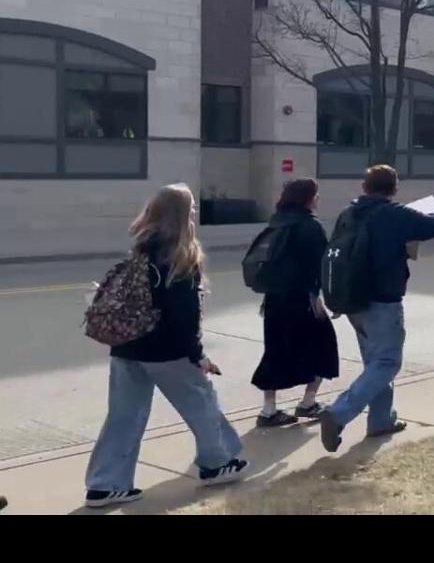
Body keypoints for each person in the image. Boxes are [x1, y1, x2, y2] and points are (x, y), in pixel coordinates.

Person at [85, 184, 247, 509]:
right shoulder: (180, 256)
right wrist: (197, 354)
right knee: (202, 402)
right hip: (165, 351)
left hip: (127, 346)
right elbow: (183, 316)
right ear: (184, 214)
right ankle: (217, 463)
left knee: (123, 417)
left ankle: (105, 486)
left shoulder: (141, 248)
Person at [319, 165, 434, 453]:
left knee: (375, 364)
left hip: (353, 299)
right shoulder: (394, 214)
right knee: (387, 362)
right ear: (394, 188)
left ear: (365, 187)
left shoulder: (348, 213)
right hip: (383, 301)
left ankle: (380, 420)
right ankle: (339, 412)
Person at [251, 178, 340, 428]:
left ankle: (268, 410)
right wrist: (319, 297)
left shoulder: (276, 222)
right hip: (302, 299)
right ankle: (308, 402)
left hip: (275, 299)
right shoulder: (310, 226)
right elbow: (321, 266)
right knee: (324, 347)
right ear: (308, 199)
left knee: (275, 350)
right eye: (316, 195)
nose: (319, 199)